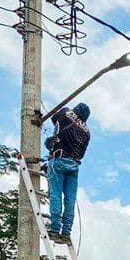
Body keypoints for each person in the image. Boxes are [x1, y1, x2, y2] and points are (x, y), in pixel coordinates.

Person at [44, 102, 91, 243]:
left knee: (55, 194)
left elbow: (54, 119)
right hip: (74, 166)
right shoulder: (87, 132)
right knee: (70, 200)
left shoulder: (65, 112)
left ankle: (55, 229)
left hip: (58, 160)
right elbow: (81, 154)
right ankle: (66, 232)